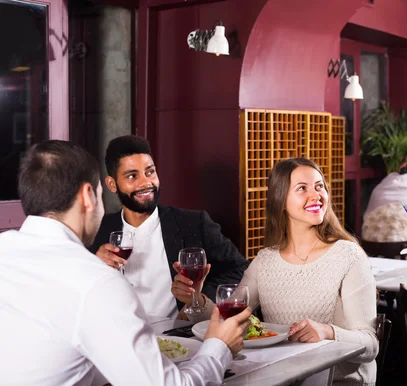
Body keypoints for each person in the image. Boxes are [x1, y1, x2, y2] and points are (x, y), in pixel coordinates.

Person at [0, 140, 252, 386]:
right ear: (90, 195)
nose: (145, 181)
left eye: (150, 171)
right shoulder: (96, 281)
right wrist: (220, 345)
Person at [207, 158, 378, 385]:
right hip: (282, 379)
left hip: (338, 381)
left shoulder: (349, 256)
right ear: (281, 201)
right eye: (302, 189)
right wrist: (195, 299)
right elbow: (230, 315)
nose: (316, 195)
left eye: (319, 186)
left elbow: (370, 344)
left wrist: (328, 332)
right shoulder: (265, 260)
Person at [90, 135, 249, 319]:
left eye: (150, 172)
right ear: (112, 184)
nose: (146, 183)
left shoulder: (194, 223)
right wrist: (93, 267)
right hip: (119, 337)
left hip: (179, 339)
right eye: (132, 176)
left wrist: (198, 299)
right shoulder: (98, 230)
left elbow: (240, 270)